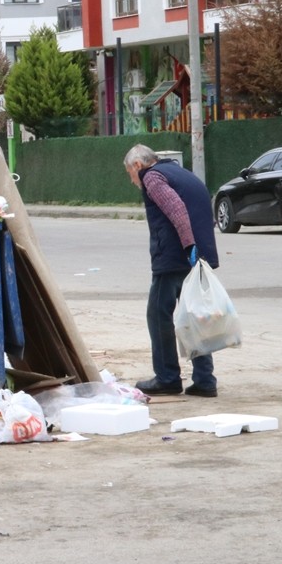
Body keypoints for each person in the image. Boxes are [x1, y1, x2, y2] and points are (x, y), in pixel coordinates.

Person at [124, 144, 220, 397]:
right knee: (194, 316)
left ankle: (167, 377)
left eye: (130, 174)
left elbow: (177, 209)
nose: (133, 181)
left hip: (174, 259)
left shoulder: (152, 177)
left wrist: (188, 246)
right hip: (198, 258)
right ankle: (205, 380)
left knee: (158, 315)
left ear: (137, 165)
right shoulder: (183, 174)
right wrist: (199, 252)